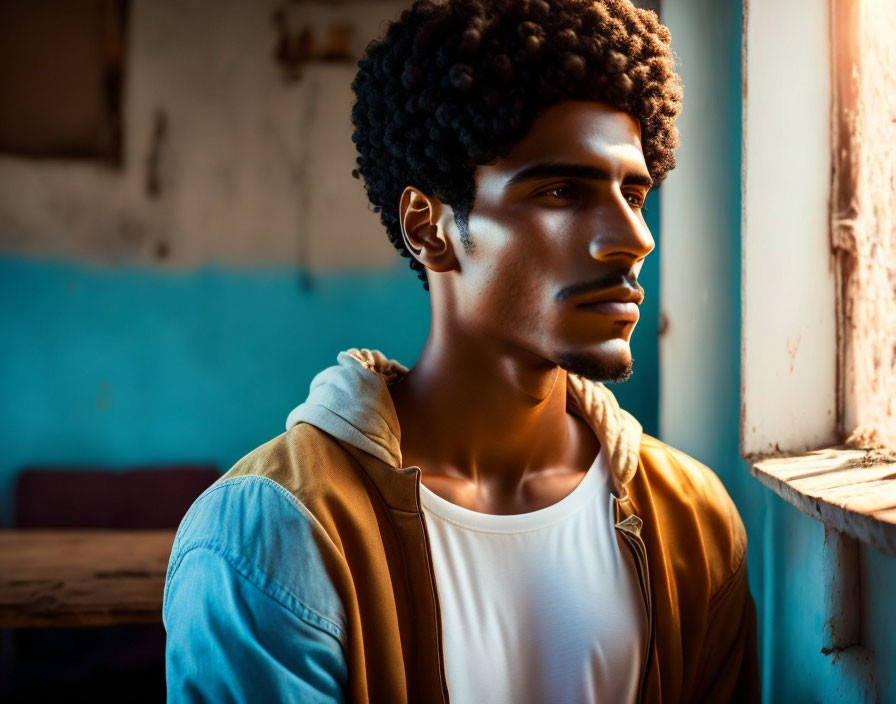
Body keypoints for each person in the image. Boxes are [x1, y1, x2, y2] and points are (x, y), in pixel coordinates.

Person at [163, 1, 759, 702]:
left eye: (635, 192)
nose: (632, 237)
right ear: (430, 227)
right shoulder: (278, 532)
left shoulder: (690, 517)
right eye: (563, 191)